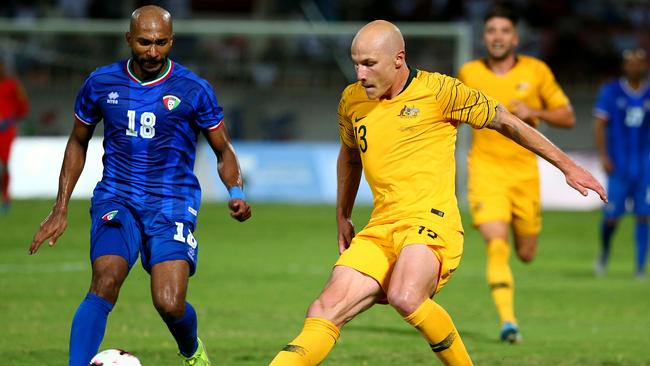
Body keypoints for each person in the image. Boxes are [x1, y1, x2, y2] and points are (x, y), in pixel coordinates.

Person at [269, 20, 605, 366]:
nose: (360, 73)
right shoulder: (351, 100)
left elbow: (505, 120)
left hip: (433, 221)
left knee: (405, 295)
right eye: (356, 62)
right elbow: (350, 157)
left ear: (398, 59)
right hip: (381, 227)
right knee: (323, 309)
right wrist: (343, 216)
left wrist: (567, 166)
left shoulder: (440, 91)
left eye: (369, 63)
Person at [29, 5, 251, 366]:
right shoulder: (101, 83)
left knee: (169, 302)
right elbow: (78, 141)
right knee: (105, 280)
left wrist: (236, 193)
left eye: (161, 43)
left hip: (172, 202)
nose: (152, 51)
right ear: (128, 39)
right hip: (117, 196)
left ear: (171, 41)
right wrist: (60, 206)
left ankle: (192, 349)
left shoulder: (193, 89)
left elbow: (223, 150)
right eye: (145, 42)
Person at [457, 7, 575, 343]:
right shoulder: (468, 72)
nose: (497, 37)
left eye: (504, 31)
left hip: (524, 176)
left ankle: (512, 297)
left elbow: (567, 116)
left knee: (526, 253)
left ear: (515, 38)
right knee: (496, 245)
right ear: (484, 38)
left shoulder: (536, 71)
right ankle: (509, 322)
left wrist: (535, 111)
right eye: (491, 31)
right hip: (485, 172)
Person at [594, 48, 650, 279]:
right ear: (624, 66)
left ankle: (640, 268)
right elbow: (599, 125)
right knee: (611, 216)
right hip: (619, 165)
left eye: (639, 63)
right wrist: (604, 156)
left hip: (646, 166)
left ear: (645, 66)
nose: (634, 67)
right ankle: (604, 253)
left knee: (644, 215)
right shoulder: (611, 91)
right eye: (630, 63)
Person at [0, 58, 29, 213]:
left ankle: (5, 197)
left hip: (5, 131)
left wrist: (9, 120)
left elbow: (23, 108)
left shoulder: (13, 85)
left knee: (3, 164)